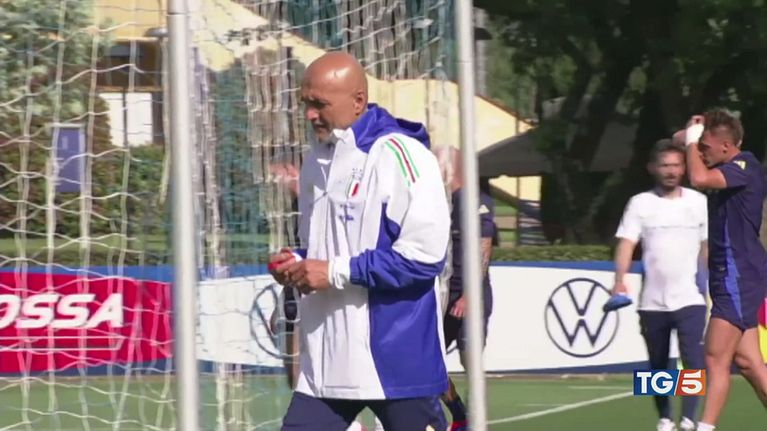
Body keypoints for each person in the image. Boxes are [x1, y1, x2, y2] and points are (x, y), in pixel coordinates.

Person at [268, 52, 451, 431]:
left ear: (358, 101)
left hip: (395, 364)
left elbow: (424, 258)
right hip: (326, 366)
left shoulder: (401, 155)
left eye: (320, 104)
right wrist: (298, 262)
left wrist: (333, 272)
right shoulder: (316, 160)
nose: (310, 115)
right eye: (305, 103)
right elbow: (326, 251)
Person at [675, 110, 767, 431]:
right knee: (749, 363)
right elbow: (678, 142)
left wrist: (691, 141)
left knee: (716, 358)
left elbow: (698, 179)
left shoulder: (744, 166)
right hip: (732, 275)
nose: (702, 153)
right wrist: (693, 131)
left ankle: (705, 427)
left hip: (737, 275)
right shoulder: (727, 166)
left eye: (707, 148)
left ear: (727, 146)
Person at [612, 139, 708, 431]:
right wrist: (619, 281)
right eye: (665, 165)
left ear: (684, 168)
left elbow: (707, 246)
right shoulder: (639, 203)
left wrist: (707, 281)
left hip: (691, 298)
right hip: (651, 301)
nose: (671, 171)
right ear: (652, 168)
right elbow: (626, 244)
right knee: (656, 362)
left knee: (692, 359)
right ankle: (665, 418)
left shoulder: (698, 202)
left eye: (676, 165)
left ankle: (689, 418)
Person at [432, 146, 496, 431]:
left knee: (470, 357)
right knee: (429, 360)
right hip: (443, 295)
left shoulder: (475, 201)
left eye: (437, 166)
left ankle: (477, 421)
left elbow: (484, 247)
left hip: (471, 295)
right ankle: (459, 414)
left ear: (450, 169)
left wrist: (470, 294)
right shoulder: (437, 202)